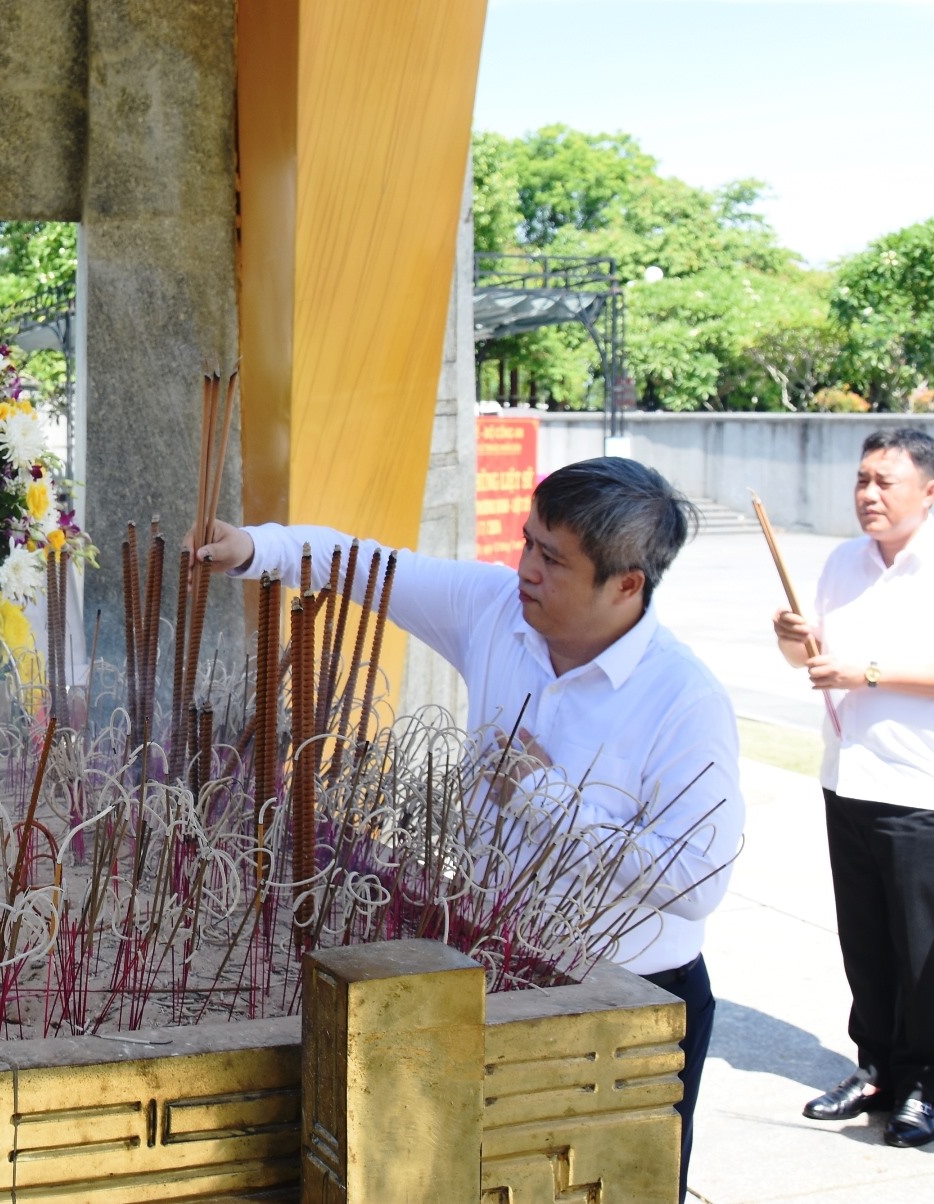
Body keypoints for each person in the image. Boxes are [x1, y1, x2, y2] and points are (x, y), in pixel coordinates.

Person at [197, 457, 744, 1201]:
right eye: (527, 543)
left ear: (626, 584)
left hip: (628, 996)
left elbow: (696, 882)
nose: (525, 570)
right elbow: (372, 568)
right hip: (496, 963)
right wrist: (257, 548)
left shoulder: (685, 699)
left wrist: (543, 795)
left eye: (553, 560)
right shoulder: (497, 611)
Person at [773, 428, 934, 1149]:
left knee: (922, 949)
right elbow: (809, 659)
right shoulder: (843, 562)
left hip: (923, 791)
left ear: (928, 491)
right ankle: (873, 1069)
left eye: (886, 482)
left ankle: (921, 1086)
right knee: (865, 943)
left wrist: (866, 671)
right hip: (848, 778)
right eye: (862, 480)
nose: (869, 495)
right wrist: (791, 635)